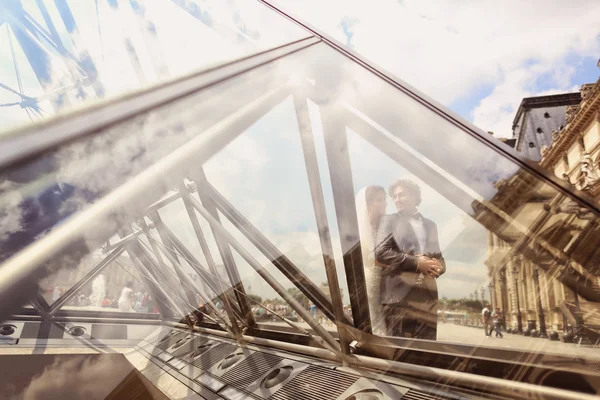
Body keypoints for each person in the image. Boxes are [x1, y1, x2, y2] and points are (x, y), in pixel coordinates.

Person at [375, 179, 446, 339]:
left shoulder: (431, 225)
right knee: (399, 354)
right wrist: (417, 263)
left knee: (426, 353)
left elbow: (439, 258)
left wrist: (439, 267)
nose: (397, 199)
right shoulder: (388, 220)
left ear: (414, 196)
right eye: (395, 196)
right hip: (399, 297)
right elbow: (381, 252)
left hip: (427, 298)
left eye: (402, 195)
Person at [355, 185, 388, 335]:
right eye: (379, 200)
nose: (385, 203)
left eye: (385, 199)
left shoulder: (387, 226)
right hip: (370, 281)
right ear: (367, 204)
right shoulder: (359, 231)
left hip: (388, 284)